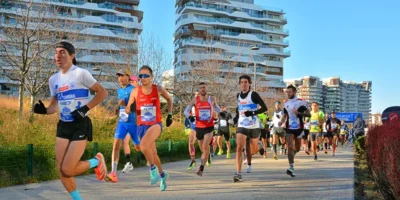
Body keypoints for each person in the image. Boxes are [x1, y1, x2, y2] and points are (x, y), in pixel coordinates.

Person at [33, 42, 108, 200]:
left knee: (68, 170)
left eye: (62, 52)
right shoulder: (54, 79)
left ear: (72, 56)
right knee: (62, 171)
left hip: (80, 125)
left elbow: (102, 93)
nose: (58, 56)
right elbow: (54, 107)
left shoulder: (81, 73)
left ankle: (96, 161)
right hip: (63, 126)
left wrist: (85, 109)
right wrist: (45, 110)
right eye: (56, 53)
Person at [126, 65, 173, 191]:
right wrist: (128, 108)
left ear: (151, 77)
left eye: (146, 75)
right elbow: (129, 105)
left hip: (155, 124)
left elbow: (169, 99)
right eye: (141, 76)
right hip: (141, 125)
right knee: (153, 153)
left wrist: (169, 115)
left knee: (144, 146)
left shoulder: (158, 89)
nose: (143, 78)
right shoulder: (135, 91)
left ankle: (152, 170)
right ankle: (162, 175)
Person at [105, 70, 140, 183]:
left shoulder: (134, 90)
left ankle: (154, 165)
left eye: (122, 76)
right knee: (116, 145)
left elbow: (138, 106)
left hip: (133, 122)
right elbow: (122, 106)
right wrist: (119, 109)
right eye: (118, 76)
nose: (120, 78)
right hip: (122, 122)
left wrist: (126, 105)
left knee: (139, 147)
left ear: (128, 77)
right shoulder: (119, 90)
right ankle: (113, 173)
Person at [232, 75, 267, 182]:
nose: (243, 84)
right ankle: (238, 173)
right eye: (242, 82)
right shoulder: (238, 95)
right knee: (239, 147)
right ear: (240, 84)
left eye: (245, 82)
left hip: (254, 125)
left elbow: (264, 108)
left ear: (249, 83)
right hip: (242, 125)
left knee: (253, 150)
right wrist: (236, 118)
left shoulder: (254, 95)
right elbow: (239, 110)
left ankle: (259, 146)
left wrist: (252, 112)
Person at [184, 82, 221, 177]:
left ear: (207, 89)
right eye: (200, 88)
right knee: (203, 149)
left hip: (209, 127)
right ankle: (207, 156)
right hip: (198, 127)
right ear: (199, 90)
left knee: (205, 147)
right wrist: (190, 117)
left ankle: (201, 168)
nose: (202, 89)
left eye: (204, 87)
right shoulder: (195, 100)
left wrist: (221, 113)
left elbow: (218, 109)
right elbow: (185, 111)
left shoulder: (212, 99)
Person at [280, 85, 310, 177]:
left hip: (299, 128)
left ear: (294, 92)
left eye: (290, 92)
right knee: (290, 146)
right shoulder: (286, 103)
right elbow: (285, 115)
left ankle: (292, 156)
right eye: (287, 92)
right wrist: (281, 121)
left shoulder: (301, 102)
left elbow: (309, 114)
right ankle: (291, 167)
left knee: (297, 148)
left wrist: (299, 113)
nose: (288, 93)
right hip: (289, 128)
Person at [120, 75, 140, 172]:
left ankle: (151, 158)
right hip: (127, 121)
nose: (131, 84)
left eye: (132, 82)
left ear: (136, 83)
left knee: (138, 146)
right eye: (130, 82)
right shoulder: (126, 93)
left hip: (138, 122)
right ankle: (129, 163)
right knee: (125, 141)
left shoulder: (139, 93)